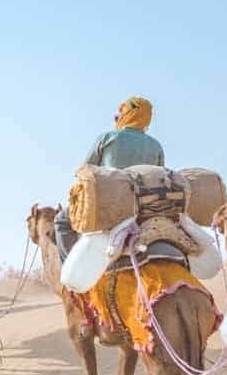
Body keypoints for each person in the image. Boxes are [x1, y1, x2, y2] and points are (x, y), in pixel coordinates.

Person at [54, 96, 164, 258]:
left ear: (127, 116)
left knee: (61, 221)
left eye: (118, 116)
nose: (116, 120)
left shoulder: (108, 137)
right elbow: (160, 177)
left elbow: (85, 171)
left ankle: (70, 272)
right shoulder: (156, 146)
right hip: (144, 208)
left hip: (108, 204)